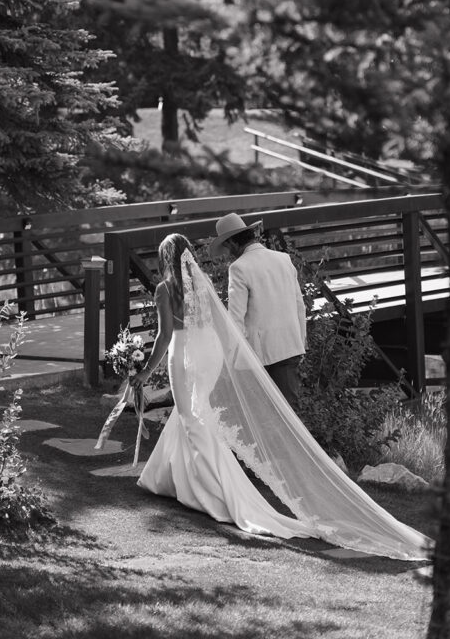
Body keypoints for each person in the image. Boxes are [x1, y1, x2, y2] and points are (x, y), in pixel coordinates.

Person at [130, 233, 431, 561]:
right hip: (213, 352)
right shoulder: (204, 285)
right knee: (196, 414)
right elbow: (231, 321)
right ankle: (168, 477)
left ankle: (218, 494)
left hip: (186, 352)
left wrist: (144, 373)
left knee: (193, 420)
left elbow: (165, 335)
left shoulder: (167, 289)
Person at [210, 213, 306, 410]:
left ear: (232, 243)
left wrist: (231, 357)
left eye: (227, 248)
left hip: (260, 356)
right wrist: (301, 342)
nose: (228, 253)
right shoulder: (284, 259)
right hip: (291, 345)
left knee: (264, 417)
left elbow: (235, 318)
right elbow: (299, 305)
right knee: (291, 416)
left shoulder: (239, 268)